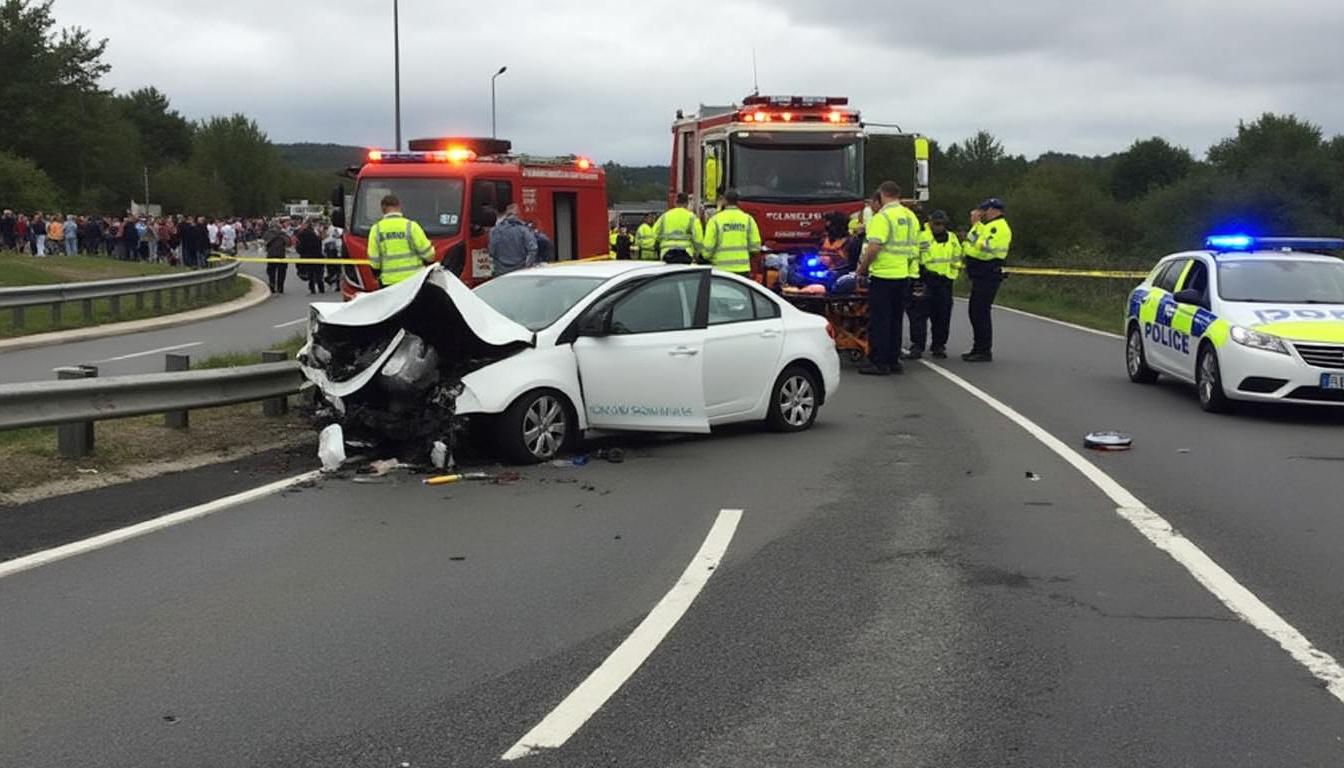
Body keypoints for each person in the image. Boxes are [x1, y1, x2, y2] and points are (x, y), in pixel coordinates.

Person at [855, 181, 919, 375]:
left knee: (880, 321)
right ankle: (893, 360)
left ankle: (879, 362)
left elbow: (874, 247)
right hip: (903, 274)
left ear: (882, 195)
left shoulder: (882, 217)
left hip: (883, 275)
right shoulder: (910, 216)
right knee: (895, 320)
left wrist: (862, 268)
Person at [961, 197, 1013, 362]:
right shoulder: (988, 226)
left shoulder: (998, 227)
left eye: (984, 210)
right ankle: (978, 347)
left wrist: (976, 227)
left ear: (993, 210)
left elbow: (984, 247)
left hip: (989, 273)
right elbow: (970, 243)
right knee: (975, 311)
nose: (982, 213)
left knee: (980, 311)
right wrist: (976, 227)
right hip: (980, 273)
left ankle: (984, 350)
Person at [906, 210, 962, 359]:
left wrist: (950, 277)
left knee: (942, 316)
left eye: (941, 224)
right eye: (936, 223)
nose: (939, 227)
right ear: (930, 222)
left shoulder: (952, 238)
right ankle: (917, 346)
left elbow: (957, 259)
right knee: (918, 316)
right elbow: (914, 256)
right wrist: (919, 275)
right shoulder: (921, 237)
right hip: (924, 281)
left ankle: (939, 346)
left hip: (944, 283)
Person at [367, 194, 436, 287]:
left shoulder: (376, 229)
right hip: (414, 281)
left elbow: (374, 261)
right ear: (399, 207)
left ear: (382, 209)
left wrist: (377, 272)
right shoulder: (411, 226)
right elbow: (429, 254)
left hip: (389, 282)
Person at [701, 188, 762, 275]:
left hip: (720, 269)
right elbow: (755, 247)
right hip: (742, 269)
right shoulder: (748, 219)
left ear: (724, 201)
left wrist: (708, 258)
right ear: (738, 202)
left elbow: (707, 250)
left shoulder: (715, 220)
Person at [487, 203, 538, 276]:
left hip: (501, 271)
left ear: (506, 214)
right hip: (520, 271)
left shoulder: (495, 230)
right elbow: (533, 249)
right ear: (518, 214)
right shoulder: (524, 230)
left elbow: (491, 251)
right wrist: (527, 266)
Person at [652, 193, 703, 264]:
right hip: (686, 254)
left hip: (667, 254)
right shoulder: (692, 217)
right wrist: (697, 254)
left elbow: (654, 234)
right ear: (687, 203)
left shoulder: (665, 216)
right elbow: (698, 239)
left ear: (675, 203)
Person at [295, 218, 325, 294]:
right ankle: (321, 287)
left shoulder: (301, 234)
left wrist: (301, 253)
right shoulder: (316, 233)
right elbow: (320, 242)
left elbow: (298, 246)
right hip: (317, 255)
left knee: (310, 273)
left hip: (307, 256)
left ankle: (312, 288)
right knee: (319, 272)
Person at [262, 218, 291, 293]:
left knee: (271, 271)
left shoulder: (267, 233)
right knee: (282, 272)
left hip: (271, 255)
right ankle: (280, 287)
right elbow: (288, 243)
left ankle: (272, 285)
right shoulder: (283, 234)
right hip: (281, 255)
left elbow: (264, 242)